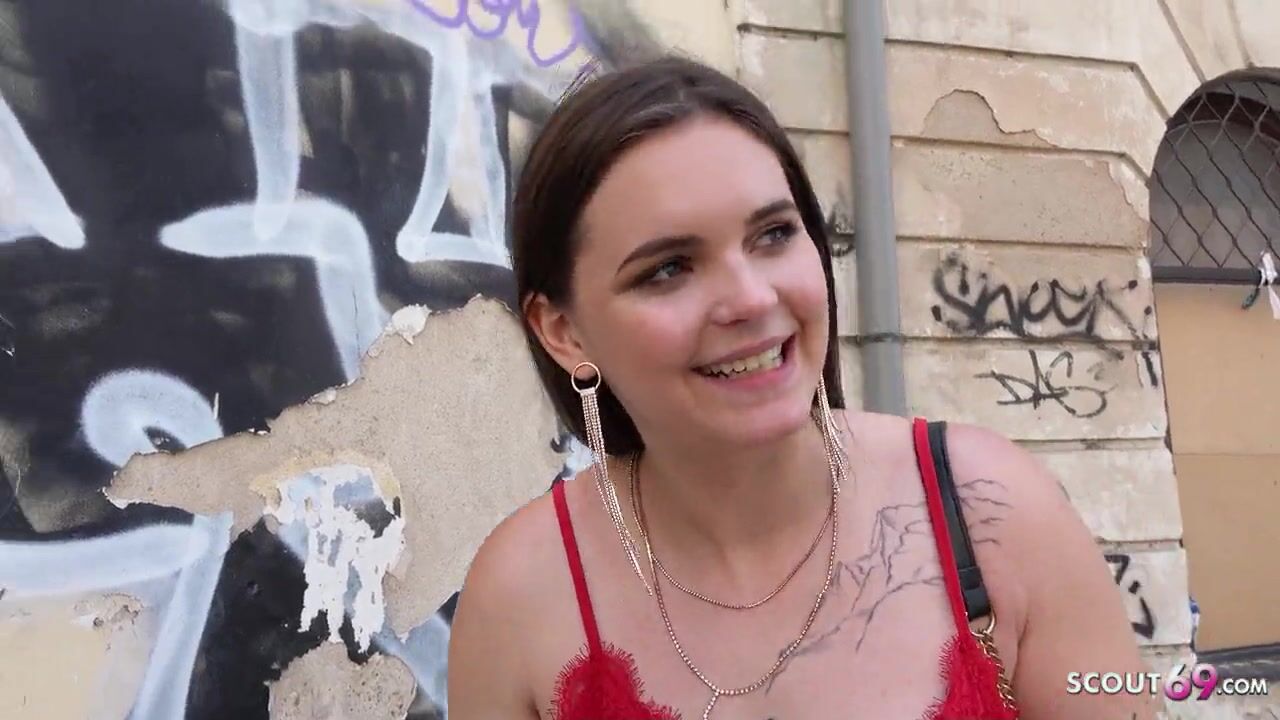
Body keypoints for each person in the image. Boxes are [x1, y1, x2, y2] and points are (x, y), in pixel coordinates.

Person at [447, 55, 1156, 720]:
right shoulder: (521, 597)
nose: (752, 298)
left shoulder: (995, 512)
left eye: (773, 235)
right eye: (668, 269)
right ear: (564, 331)